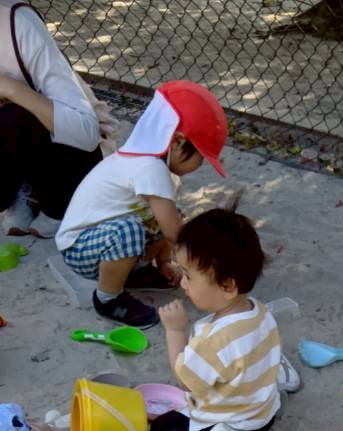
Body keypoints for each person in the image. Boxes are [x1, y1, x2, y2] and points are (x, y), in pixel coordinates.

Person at [55, 80, 227, 329]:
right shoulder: (149, 167)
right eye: (201, 159)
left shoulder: (155, 166)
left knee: (170, 214)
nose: (199, 166)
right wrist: (204, 271)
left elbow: (167, 223)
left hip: (102, 242)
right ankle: (107, 299)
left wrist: (164, 262)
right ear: (177, 142)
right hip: (79, 248)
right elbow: (174, 234)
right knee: (129, 230)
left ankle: (136, 272)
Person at [153, 207, 282, 431]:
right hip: (264, 414)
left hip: (232, 425)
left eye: (188, 276)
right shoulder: (259, 311)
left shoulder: (214, 341)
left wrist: (175, 331)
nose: (183, 284)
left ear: (227, 286)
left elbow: (185, 382)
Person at [0, 0, 108, 238]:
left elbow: (86, 133)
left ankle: (58, 202)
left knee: (12, 115)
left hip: (66, 154)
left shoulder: (18, 23)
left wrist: (11, 89)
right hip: (14, 145)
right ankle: (21, 188)